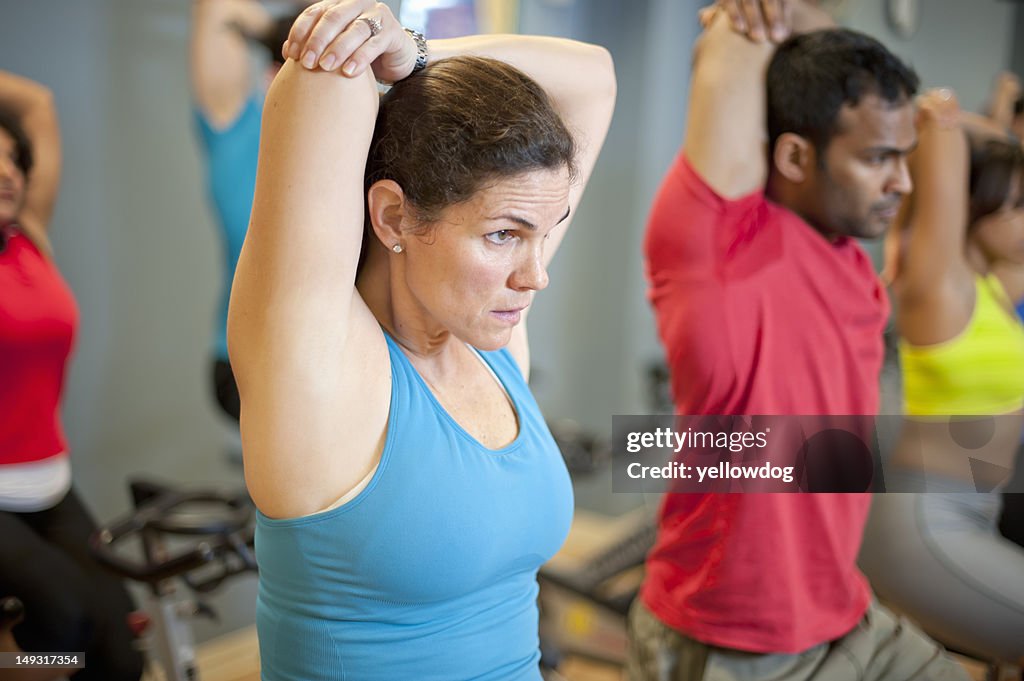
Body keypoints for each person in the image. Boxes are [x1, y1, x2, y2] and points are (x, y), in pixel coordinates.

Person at [226, 1, 615, 679]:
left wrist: (417, 49)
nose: (536, 274)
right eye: (503, 235)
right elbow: (325, 76)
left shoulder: (493, 345)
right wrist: (368, 35)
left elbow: (592, 76)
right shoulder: (320, 371)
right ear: (392, 215)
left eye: (545, 230)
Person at [631, 1, 969, 678]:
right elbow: (737, 42)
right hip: (737, 642)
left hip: (845, 612)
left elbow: (835, 64)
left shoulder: (849, 259)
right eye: (878, 159)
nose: (901, 182)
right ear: (793, 155)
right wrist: (760, 9)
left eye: (904, 157)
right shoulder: (720, 247)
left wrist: (808, 21)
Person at [860, 90, 1024, 664]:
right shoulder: (941, 288)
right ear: (975, 212)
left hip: (973, 516)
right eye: (1019, 206)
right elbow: (944, 157)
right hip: (929, 527)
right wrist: (944, 119)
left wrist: (1004, 128)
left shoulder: (997, 288)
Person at [0, 70, 143, 680]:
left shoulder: (28, 238)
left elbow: (37, 103)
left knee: (119, 645)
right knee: (63, 622)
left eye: (12, 158)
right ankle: (17, 669)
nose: (7, 170)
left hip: (50, 486)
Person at [189, 0, 308, 422]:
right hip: (246, 366)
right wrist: (282, 30)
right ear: (270, 75)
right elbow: (220, 9)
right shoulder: (239, 132)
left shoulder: (370, 148)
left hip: (338, 359)